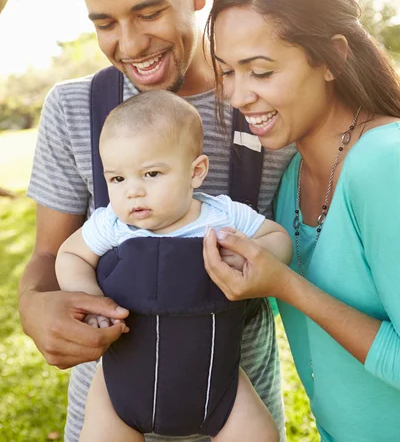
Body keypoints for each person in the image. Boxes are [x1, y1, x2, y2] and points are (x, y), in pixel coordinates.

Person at [18, 0, 295, 442]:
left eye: (148, 13)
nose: (130, 43)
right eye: (105, 23)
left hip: (234, 409)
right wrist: (33, 307)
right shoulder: (75, 108)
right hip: (110, 411)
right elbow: (52, 255)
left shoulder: (262, 107)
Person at [202, 0, 400, 442]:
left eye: (262, 71)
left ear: (333, 56)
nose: (239, 96)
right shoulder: (291, 177)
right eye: (228, 71)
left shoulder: (383, 163)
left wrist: (286, 285)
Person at [55, 90, 293, 442]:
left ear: (196, 172)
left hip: (219, 382)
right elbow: (70, 255)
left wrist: (249, 254)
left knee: (259, 435)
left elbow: (278, 237)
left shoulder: (221, 215)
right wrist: (89, 298)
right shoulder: (111, 225)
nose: (132, 191)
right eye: (117, 179)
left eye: (150, 173)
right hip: (121, 385)